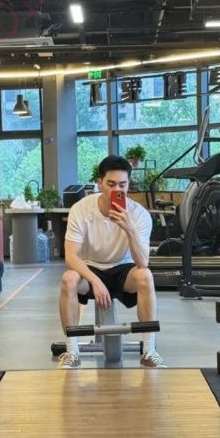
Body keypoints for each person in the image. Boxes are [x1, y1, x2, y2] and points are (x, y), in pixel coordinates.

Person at [58, 155, 165, 369]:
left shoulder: (139, 215)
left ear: (128, 185)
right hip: (90, 268)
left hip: (123, 270)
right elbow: (71, 256)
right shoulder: (81, 209)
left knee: (145, 276)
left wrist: (129, 228)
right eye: (111, 184)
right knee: (69, 278)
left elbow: (142, 263)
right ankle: (71, 352)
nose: (117, 189)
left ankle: (149, 350)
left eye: (122, 185)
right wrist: (95, 281)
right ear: (100, 183)